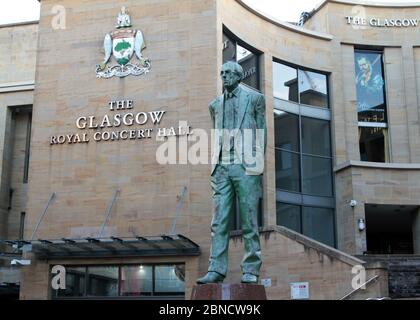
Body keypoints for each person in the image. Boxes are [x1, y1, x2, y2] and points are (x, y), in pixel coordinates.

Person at [197, 61, 266, 284]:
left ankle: (251, 269)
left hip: (246, 165)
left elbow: (262, 131)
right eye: (222, 73)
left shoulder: (255, 99)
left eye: (228, 73)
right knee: (219, 221)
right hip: (222, 167)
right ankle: (216, 269)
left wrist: (258, 164)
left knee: (249, 218)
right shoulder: (214, 105)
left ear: (239, 76)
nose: (224, 76)